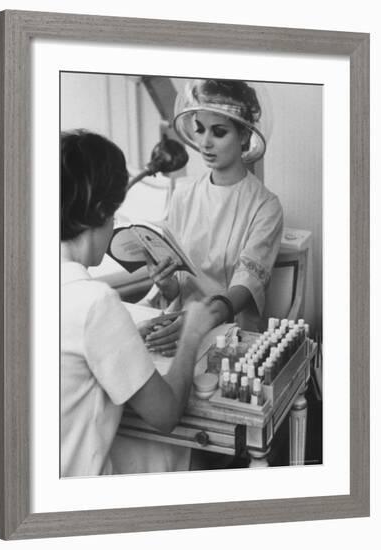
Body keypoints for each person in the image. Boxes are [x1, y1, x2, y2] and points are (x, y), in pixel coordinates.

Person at [60, 129, 217, 477]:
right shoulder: (94, 302)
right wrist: (192, 333)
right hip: (78, 494)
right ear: (102, 212)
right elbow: (165, 414)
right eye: (114, 212)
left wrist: (127, 334)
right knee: (201, 459)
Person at [143, 79, 283, 356]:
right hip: (178, 327)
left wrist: (199, 322)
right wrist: (166, 283)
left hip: (229, 335)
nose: (205, 142)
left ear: (244, 135)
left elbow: (245, 286)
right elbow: (178, 284)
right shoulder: (183, 195)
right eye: (200, 129)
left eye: (219, 132)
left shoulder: (266, 207)